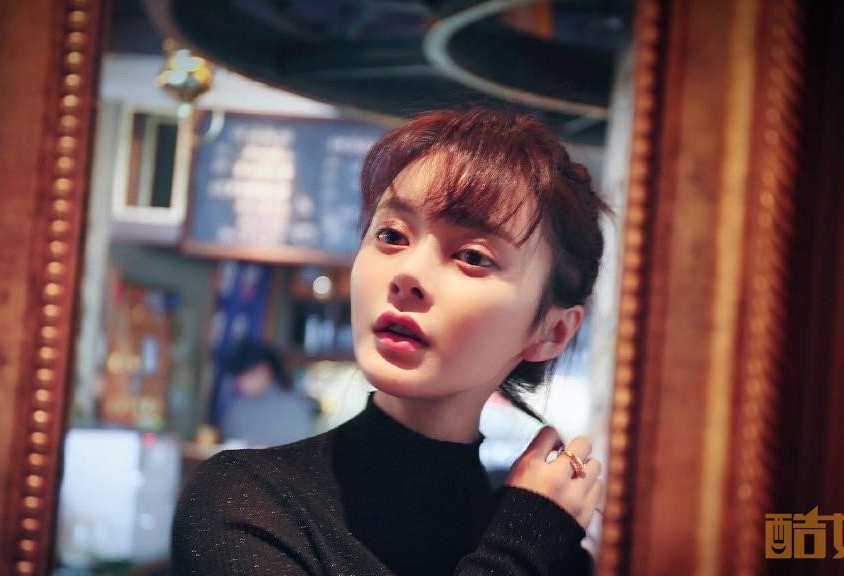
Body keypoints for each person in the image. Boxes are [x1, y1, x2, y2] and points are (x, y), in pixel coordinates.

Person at [171, 108, 611, 575]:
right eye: (391, 234)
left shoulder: (546, 552)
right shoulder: (245, 503)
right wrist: (523, 546)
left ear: (552, 332)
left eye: (472, 256)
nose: (408, 274)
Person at [218, 339, 317, 448]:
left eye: (242, 376)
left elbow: (302, 452)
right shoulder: (238, 403)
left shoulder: (293, 407)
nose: (238, 383)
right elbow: (227, 437)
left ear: (263, 371)